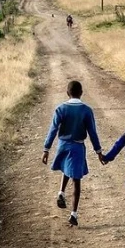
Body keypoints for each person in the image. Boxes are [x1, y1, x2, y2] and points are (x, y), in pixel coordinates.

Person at [42, 80, 102, 226]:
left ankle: (61, 192)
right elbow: (92, 132)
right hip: (77, 147)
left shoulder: (60, 109)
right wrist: (98, 151)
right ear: (81, 93)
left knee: (65, 169)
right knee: (76, 179)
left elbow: (53, 129)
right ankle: (74, 214)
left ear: (67, 93)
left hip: (63, 144)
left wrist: (46, 149)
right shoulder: (86, 110)